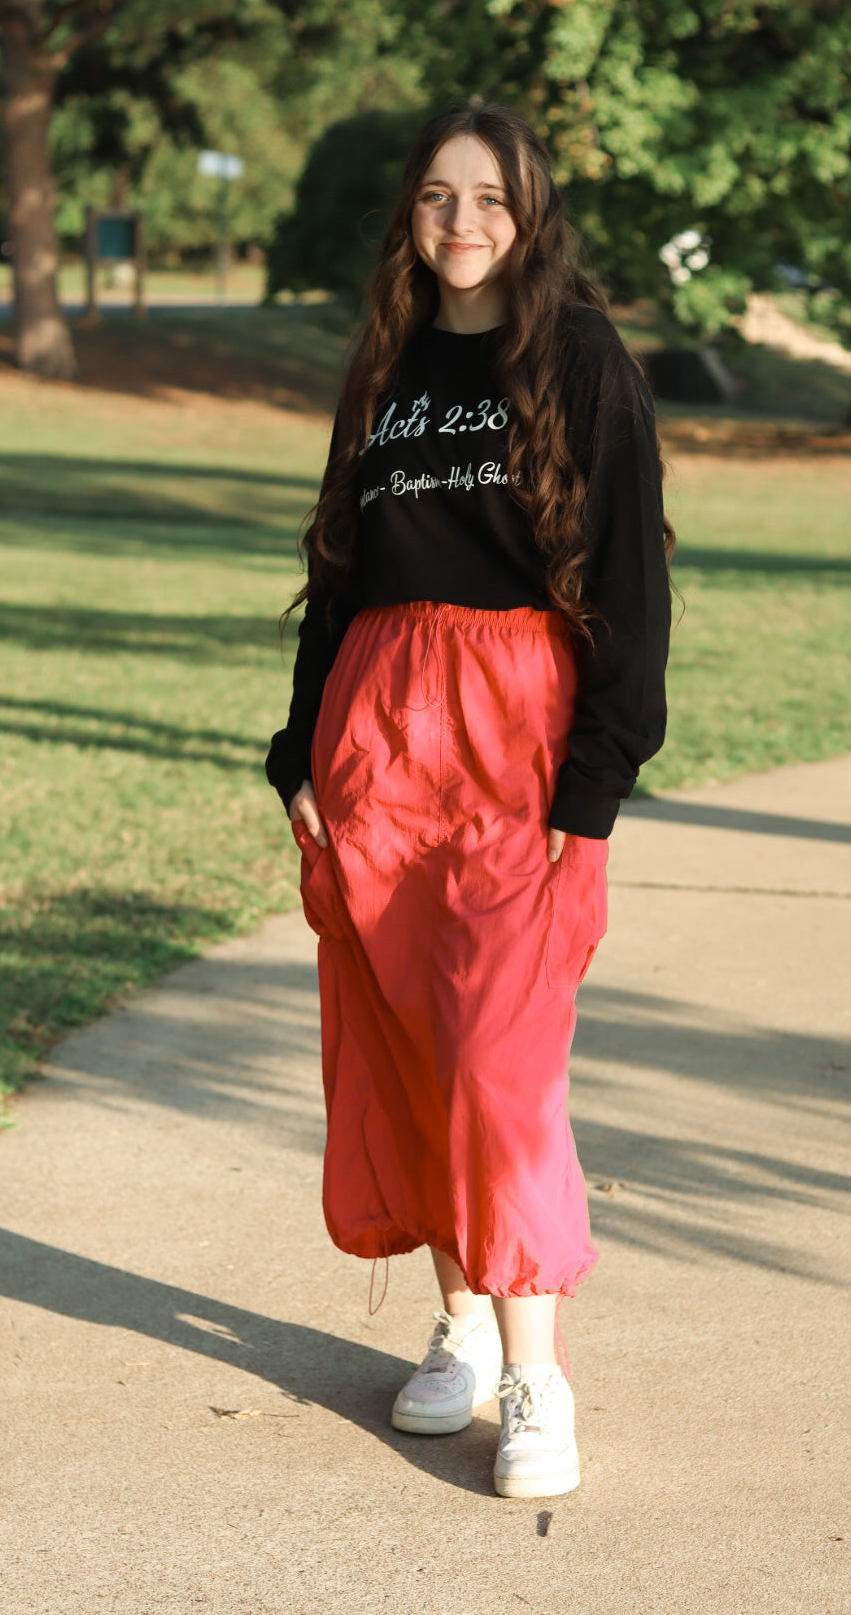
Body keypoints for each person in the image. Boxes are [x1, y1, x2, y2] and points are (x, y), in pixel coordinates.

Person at [266, 100, 672, 1499]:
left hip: (517, 733)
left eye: (488, 198)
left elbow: (629, 576)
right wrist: (301, 745)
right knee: (413, 1045)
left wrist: (599, 775)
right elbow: (339, 563)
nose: (461, 224)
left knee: (501, 1062)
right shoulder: (383, 365)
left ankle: (538, 1378)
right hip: (380, 729)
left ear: (530, 212)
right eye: (438, 197)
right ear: (410, 214)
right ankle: (457, 1332)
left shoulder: (577, 355)